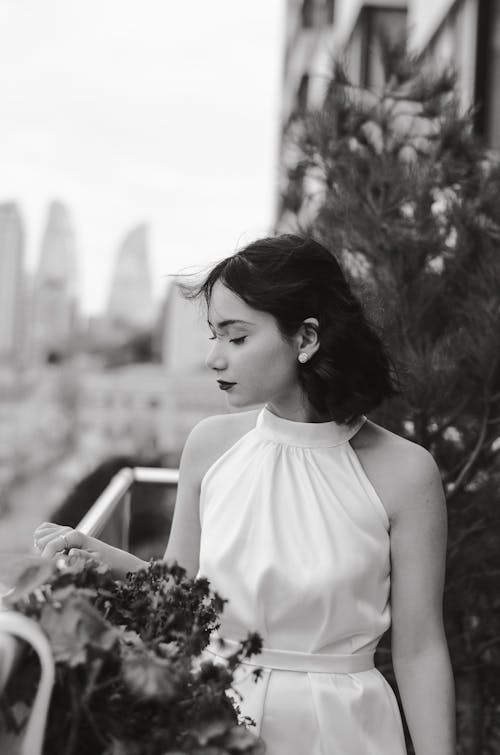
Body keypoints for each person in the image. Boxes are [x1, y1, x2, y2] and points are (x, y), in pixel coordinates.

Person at [34, 235, 456, 754]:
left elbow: (419, 649)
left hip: (343, 731)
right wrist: (102, 557)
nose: (214, 358)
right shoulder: (209, 446)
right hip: (207, 715)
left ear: (305, 338)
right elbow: (180, 596)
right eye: (214, 335)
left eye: (236, 338)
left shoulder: (406, 472)